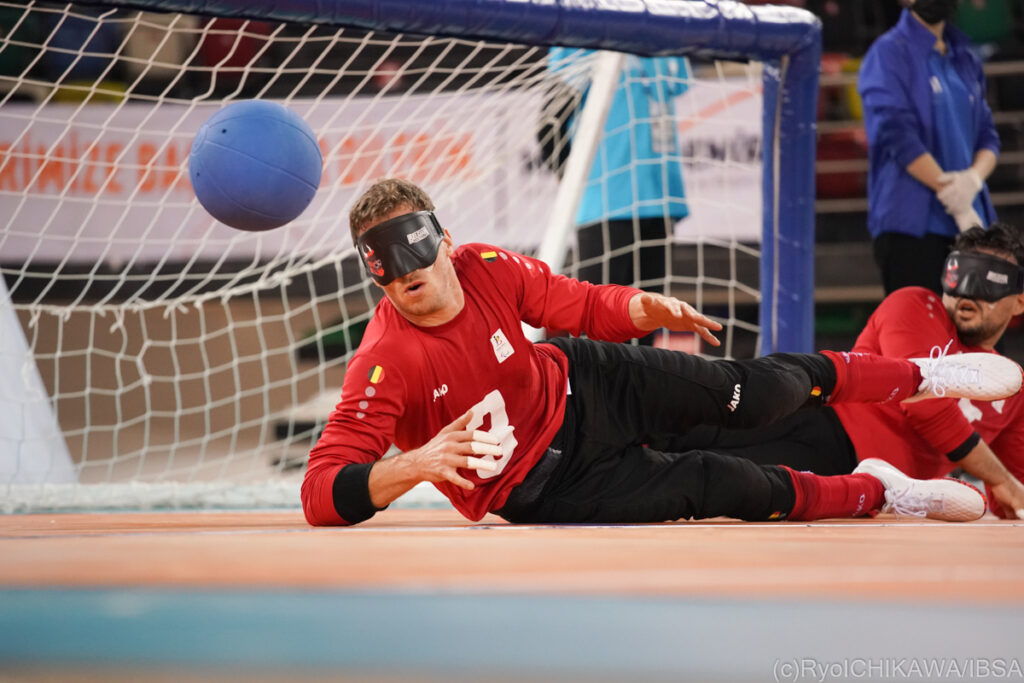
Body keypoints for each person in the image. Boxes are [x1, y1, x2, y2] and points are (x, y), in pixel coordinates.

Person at [300, 178, 1021, 528]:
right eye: (381, 263)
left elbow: (575, 305)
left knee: (755, 390)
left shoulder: (488, 266)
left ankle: (924, 374)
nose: (403, 271)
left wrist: (638, 308)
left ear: (444, 239)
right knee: (728, 484)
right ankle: (880, 491)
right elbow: (319, 492)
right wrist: (412, 465)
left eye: (413, 246)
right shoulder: (385, 361)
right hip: (545, 485)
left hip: (588, 382)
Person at [663, 223, 1024, 519]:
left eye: (989, 279)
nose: (967, 292)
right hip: (820, 422)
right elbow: (928, 406)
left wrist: (1008, 491)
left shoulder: (1011, 390)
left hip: (871, 495)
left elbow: (1014, 489)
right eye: (962, 272)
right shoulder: (917, 306)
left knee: (708, 481)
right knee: (682, 436)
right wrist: (1000, 479)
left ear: (1019, 300)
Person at [547, 48, 690, 345]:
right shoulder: (581, 37)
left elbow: (678, 85)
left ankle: (639, 393)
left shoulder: (663, 34)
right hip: (604, 204)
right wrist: (579, 184)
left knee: (647, 330)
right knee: (598, 331)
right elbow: (549, 127)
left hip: (660, 199)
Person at [858, 0, 1000, 295]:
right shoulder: (888, 53)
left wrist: (971, 182)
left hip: (970, 225)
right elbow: (896, 133)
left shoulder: (966, 57)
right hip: (913, 227)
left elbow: (987, 136)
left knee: (981, 340)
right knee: (920, 338)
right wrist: (952, 195)